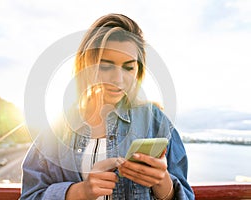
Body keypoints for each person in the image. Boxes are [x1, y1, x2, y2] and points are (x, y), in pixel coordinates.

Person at [21, 13, 195, 200]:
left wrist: (163, 183)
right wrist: (80, 192)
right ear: (86, 64)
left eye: (129, 67)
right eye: (106, 66)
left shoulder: (154, 121)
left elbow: (185, 195)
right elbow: (30, 195)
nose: (118, 80)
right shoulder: (57, 128)